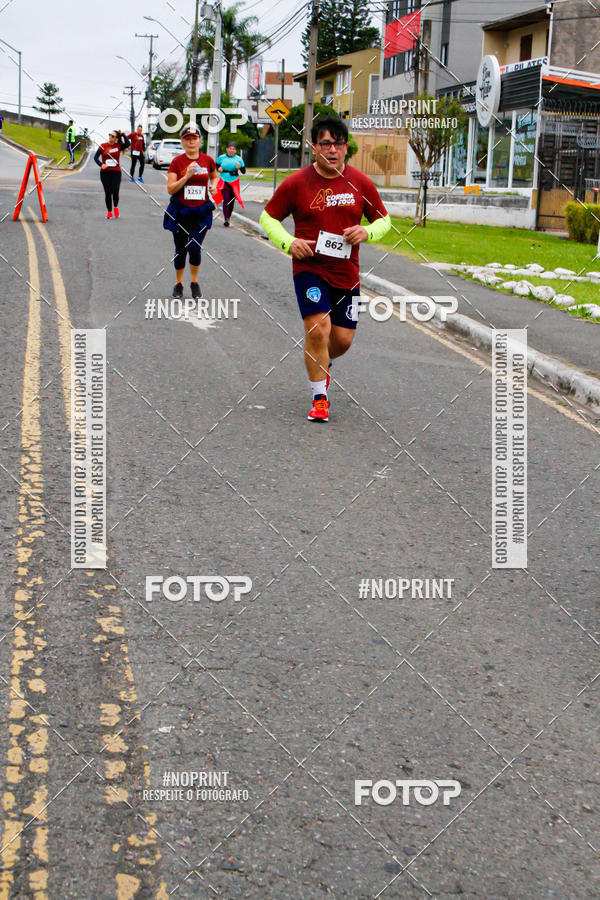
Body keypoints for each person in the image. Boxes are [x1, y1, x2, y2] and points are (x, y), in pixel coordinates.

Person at [259, 117, 391, 422]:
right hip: (310, 269)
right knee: (318, 329)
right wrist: (288, 242)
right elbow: (268, 218)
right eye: (325, 144)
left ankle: (321, 363)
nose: (332, 150)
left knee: (342, 340)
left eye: (338, 144)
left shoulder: (360, 182)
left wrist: (366, 232)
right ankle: (320, 398)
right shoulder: (296, 183)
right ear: (314, 147)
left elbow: (384, 220)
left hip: (347, 274)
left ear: (346, 147)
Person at [164, 123, 219, 299]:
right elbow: (170, 189)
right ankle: (178, 283)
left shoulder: (207, 160)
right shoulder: (177, 162)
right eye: (187, 139)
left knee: (194, 248)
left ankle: (194, 282)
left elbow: (215, 175)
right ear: (183, 141)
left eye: (194, 139)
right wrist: (186, 176)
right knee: (180, 250)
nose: (191, 142)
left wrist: (214, 186)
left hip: (201, 212)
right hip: (181, 211)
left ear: (199, 141)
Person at [94, 129, 130, 219]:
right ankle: (109, 211)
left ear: (116, 138)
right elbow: (95, 157)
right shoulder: (103, 146)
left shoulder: (118, 146)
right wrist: (101, 164)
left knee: (115, 190)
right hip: (105, 173)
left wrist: (122, 135)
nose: (110, 137)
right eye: (110, 135)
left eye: (113, 136)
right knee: (108, 192)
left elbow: (128, 144)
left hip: (116, 172)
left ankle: (116, 207)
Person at [215, 141, 246, 226]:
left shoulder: (239, 159)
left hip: (234, 181)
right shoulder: (221, 157)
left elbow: (243, 171)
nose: (231, 150)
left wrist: (240, 167)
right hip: (224, 180)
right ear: (227, 149)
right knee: (226, 199)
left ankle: (228, 216)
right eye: (230, 148)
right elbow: (216, 165)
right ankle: (226, 218)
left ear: (236, 150)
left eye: (233, 149)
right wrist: (218, 169)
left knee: (232, 201)